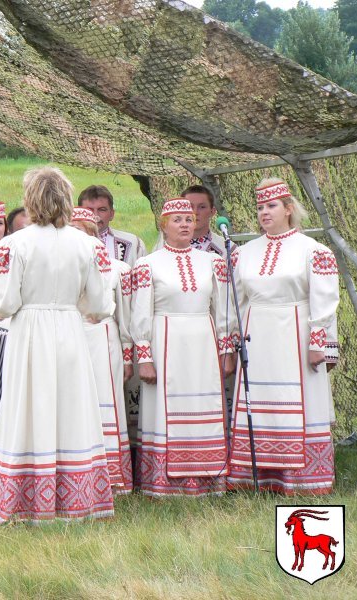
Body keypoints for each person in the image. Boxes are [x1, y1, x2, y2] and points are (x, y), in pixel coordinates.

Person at [0, 166, 116, 523]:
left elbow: (6, 302)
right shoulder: (88, 244)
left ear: (30, 199)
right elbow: (100, 306)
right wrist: (81, 308)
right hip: (70, 329)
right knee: (71, 407)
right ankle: (75, 500)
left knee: (29, 405)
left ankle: (25, 498)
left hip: (29, 332)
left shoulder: (13, 244)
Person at [228, 179, 340, 495]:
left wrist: (320, 342)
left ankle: (302, 480)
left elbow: (325, 298)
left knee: (297, 401)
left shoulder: (314, 251)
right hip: (256, 337)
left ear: (289, 209)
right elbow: (237, 301)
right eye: (260, 207)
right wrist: (232, 342)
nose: (264, 212)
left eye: (271, 206)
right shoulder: (243, 253)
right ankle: (261, 477)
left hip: (296, 334)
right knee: (261, 402)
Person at [130, 198, 237, 497]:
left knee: (205, 405)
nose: (185, 225)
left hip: (203, 341)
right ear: (163, 226)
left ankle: (207, 478)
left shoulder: (213, 262)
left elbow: (223, 309)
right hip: (166, 341)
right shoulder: (146, 265)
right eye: (177, 220)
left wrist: (226, 349)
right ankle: (165, 484)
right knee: (167, 408)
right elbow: (140, 314)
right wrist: (145, 357)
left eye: (189, 219)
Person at [70, 207, 134, 493]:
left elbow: (126, 316)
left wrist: (130, 354)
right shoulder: (60, 270)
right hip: (72, 335)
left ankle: (110, 476)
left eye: (81, 231)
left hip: (103, 340)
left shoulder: (118, 268)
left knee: (105, 401)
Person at [78, 185, 147, 267]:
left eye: (102, 210)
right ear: (79, 212)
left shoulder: (134, 244)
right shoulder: (69, 243)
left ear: (111, 214)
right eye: (89, 210)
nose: (95, 216)